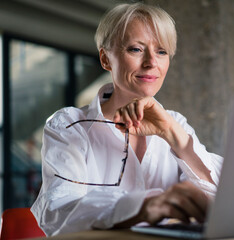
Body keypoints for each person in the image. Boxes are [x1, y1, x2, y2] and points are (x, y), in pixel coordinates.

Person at [31, 2, 223, 236]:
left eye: (162, 51)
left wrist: (174, 135)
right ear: (105, 59)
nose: (152, 62)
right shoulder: (69, 126)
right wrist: (145, 207)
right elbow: (57, 212)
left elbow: (224, 199)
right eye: (136, 49)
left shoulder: (176, 123)